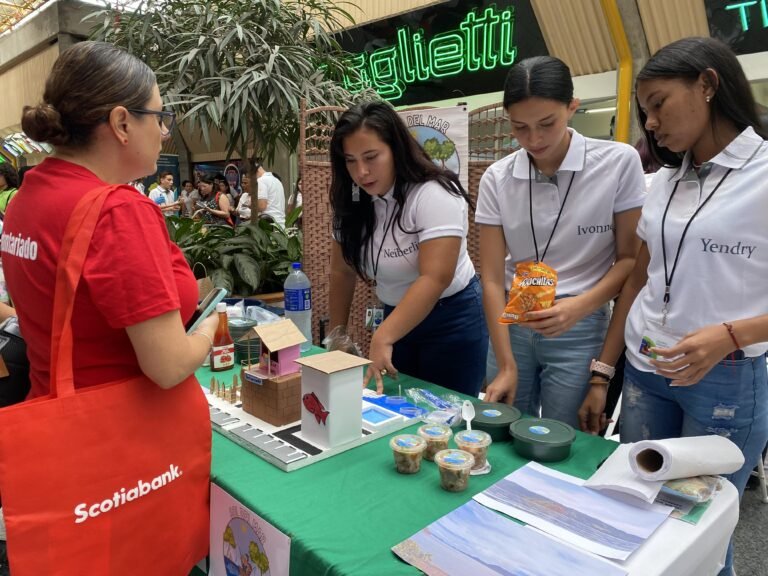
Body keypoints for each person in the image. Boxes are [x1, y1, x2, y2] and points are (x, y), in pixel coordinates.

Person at [1, 40, 215, 569]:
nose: (164, 133)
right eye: (159, 118)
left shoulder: (29, 196)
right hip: (125, 449)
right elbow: (167, 365)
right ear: (121, 123)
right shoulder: (117, 210)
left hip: (61, 433)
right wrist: (210, 331)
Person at [577, 37, 768, 575]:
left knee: (698, 536)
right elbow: (639, 279)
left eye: (659, 104)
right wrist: (603, 372)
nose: (652, 124)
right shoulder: (662, 182)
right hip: (646, 371)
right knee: (636, 516)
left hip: (725, 377)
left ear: (707, 84)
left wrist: (729, 334)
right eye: (645, 111)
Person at [477, 56, 646, 428]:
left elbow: (630, 260)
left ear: (572, 107)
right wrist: (505, 364)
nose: (534, 140)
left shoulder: (617, 162)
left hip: (580, 324)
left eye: (546, 124)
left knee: (563, 437)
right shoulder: (497, 178)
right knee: (500, 429)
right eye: (520, 127)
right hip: (513, 324)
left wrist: (579, 307)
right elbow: (490, 277)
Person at [328, 101, 488, 395]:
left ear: (396, 149)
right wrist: (337, 334)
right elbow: (342, 270)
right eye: (350, 160)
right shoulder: (352, 201)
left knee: (448, 410)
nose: (361, 172)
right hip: (397, 315)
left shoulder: (434, 193)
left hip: (452, 317)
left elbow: (435, 277)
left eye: (371, 157)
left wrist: (383, 336)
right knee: (398, 409)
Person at [254, 162, 286, 226]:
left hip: (269, 223)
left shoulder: (261, 180)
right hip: (280, 222)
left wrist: (251, 206)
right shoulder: (276, 180)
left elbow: (262, 206)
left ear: (256, 171)